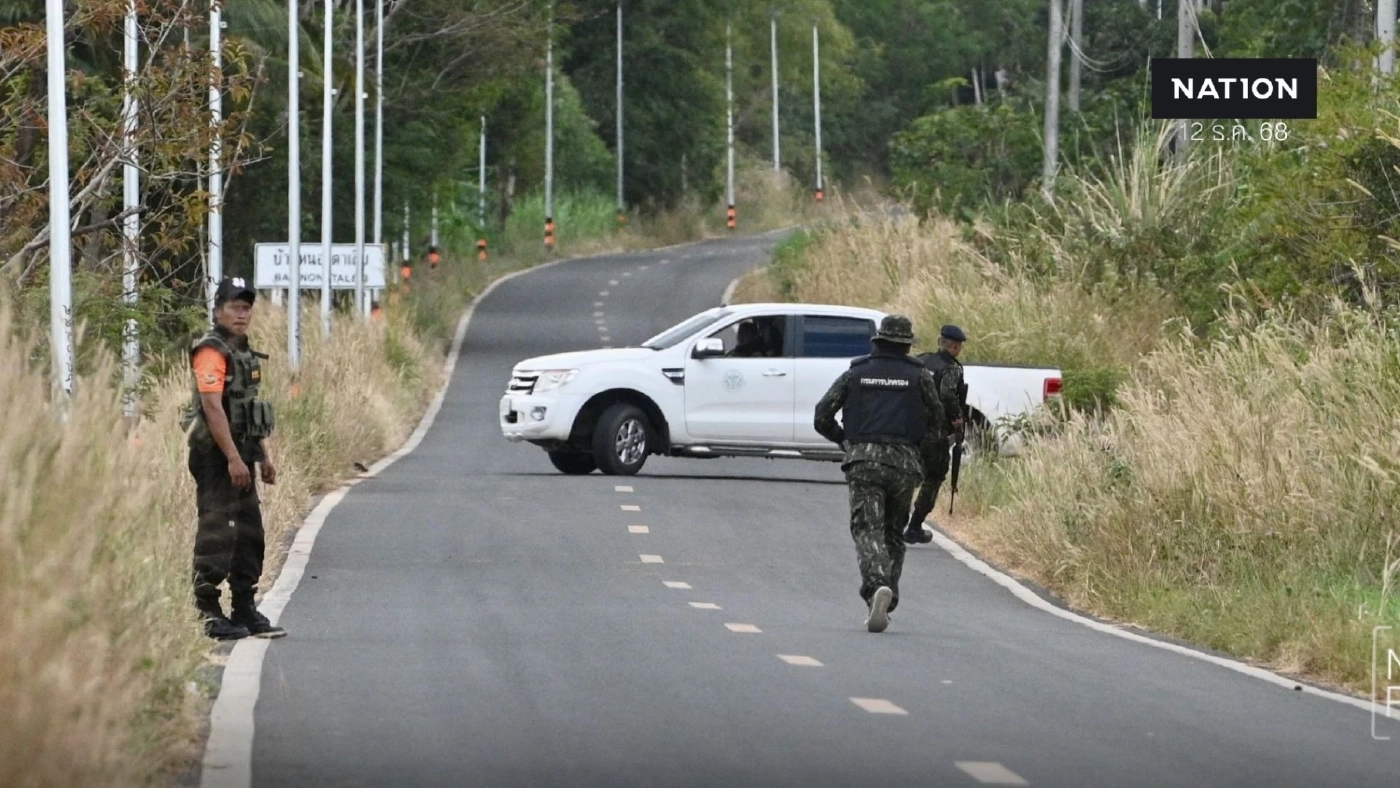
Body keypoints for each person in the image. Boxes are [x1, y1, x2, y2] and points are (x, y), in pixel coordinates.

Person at [813, 315, 944, 633]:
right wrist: (918, 449)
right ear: (906, 345)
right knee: (892, 534)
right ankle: (888, 600)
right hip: (904, 465)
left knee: (867, 530)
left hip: (864, 462)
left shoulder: (856, 373)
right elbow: (938, 421)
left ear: (879, 341)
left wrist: (845, 440)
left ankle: (876, 588)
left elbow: (822, 415)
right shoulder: (921, 376)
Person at [180, 278, 286, 641]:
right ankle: (208, 610)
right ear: (218, 309)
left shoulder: (242, 350)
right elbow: (212, 406)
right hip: (216, 457)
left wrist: (262, 456)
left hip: (241, 454)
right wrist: (231, 458)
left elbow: (247, 409)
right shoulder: (212, 351)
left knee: (249, 533)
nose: (242, 314)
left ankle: (244, 607)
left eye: (246, 307)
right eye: (234, 307)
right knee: (217, 530)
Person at [905, 324, 967, 543]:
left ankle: (894, 520)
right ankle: (914, 526)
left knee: (908, 475)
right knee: (933, 477)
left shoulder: (922, 359)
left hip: (911, 428)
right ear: (956, 347)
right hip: (935, 432)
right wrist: (957, 418)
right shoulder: (951, 368)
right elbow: (948, 394)